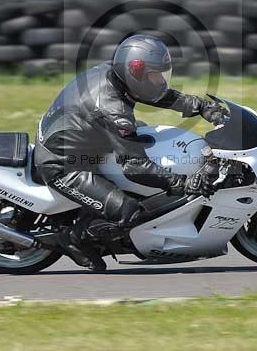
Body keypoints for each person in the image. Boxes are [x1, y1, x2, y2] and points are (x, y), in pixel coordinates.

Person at [33, 34, 228, 271]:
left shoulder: (115, 75)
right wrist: (184, 184)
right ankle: (72, 239)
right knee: (129, 211)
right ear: (135, 72)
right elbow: (135, 168)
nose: (160, 81)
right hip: (64, 165)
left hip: (83, 139)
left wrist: (201, 106)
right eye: (154, 75)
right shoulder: (113, 110)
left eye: (161, 74)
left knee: (146, 138)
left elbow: (155, 94)